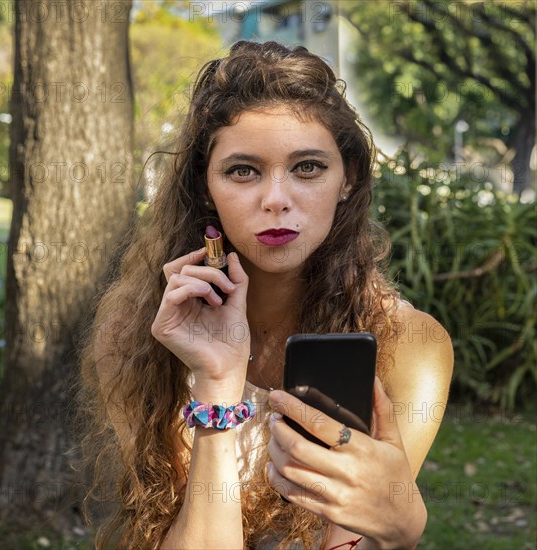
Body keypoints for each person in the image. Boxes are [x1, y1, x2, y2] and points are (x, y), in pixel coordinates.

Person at [78, 40, 454, 549]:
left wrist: (399, 531)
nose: (276, 200)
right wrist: (216, 382)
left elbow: (358, 538)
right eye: (243, 170)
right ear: (206, 186)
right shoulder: (137, 328)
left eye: (307, 168)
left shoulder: (408, 343)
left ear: (349, 179)